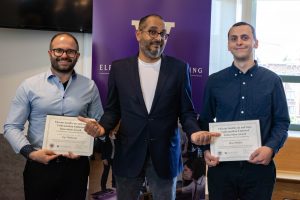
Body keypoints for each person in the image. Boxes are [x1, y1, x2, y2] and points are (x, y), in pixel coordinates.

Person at [79, 14, 217, 200]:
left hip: (165, 154)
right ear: (138, 34)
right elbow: (113, 109)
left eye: (163, 34)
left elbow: (186, 111)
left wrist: (194, 133)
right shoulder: (119, 68)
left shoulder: (179, 68)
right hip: (128, 152)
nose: (158, 38)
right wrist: (102, 128)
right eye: (152, 32)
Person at [3, 32, 103, 200]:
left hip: (76, 167)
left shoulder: (89, 86)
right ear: (50, 53)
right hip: (39, 165)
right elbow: (11, 127)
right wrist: (31, 153)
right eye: (58, 50)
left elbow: (99, 124)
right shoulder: (29, 86)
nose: (64, 55)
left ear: (77, 56)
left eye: (70, 51)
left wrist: (93, 135)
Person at [199, 22, 290, 200]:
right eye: (234, 39)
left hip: (260, 169)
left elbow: (282, 123)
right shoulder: (214, 81)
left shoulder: (272, 81)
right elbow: (205, 121)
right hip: (222, 168)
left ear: (256, 43)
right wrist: (206, 150)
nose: (239, 42)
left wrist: (270, 148)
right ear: (228, 45)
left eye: (245, 37)